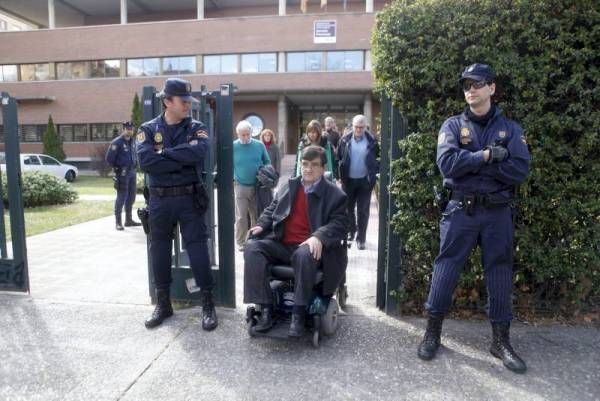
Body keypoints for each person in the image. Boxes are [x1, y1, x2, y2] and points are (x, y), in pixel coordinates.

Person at [417, 63, 530, 374]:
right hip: (459, 212)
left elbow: (519, 170)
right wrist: (487, 156)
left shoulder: (511, 129)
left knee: (500, 273)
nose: (470, 90)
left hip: (497, 213)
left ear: (491, 88)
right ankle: (432, 334)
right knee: (446, 269)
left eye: (477, 84)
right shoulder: (452, 126)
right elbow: (447, 166)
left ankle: (501, 342)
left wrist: (471, 163)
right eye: (466, 85)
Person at [137, 77, 217, 331]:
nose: (188, 106)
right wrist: (181, 155)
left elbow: (199, 152)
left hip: (188, 198)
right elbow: (146, 162)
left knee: (197, 251)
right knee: (159, 251)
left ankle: (207, 303)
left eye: (189, 101)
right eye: (183, 101)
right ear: (167, 102)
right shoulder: (148, 129)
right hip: (159, 200)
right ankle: (164, 304)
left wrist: (165, 154)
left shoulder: (196, 127)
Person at [244, 145, 348, 337]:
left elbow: (340, 224)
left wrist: (318, 236)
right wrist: (261, 225)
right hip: (283, 244)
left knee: (304, 252)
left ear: (324, 167)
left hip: (312, 249)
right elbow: (272, 208)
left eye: (314, 165)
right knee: (252, 247)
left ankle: (298, 314)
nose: (308, 169)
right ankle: (266, 309)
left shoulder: (335, 195)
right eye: (305, 164)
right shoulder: (289, 185)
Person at [336, 114, 380, 250]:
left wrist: (374, 173)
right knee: (348, 209)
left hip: (364, 182)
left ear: (365, 127)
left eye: (361, 127)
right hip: (348, 181)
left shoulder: (372, 141)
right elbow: (338, 158)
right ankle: (351, 232)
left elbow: (377, 159)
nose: (359, 130)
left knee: (363, 211)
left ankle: (361, 239)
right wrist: (340, 175)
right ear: (353, 127)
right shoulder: (344, 140)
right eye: (356, 127)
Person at [233, 120, 271, 252]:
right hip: (240, 185)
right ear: (237, 134)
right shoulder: (234, 146)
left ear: (251, 133)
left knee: (256, 215)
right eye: (242, 135)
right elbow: (227, 163)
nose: (245, 137)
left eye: (248, 134)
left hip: (257, 185)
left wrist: (265, 172)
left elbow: (267, 162)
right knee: (241, 216)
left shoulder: (259, 145)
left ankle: (254, 240)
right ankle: (241, 242)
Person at [105, 121, 141, 230]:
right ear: (123, 129)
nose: (129, 131)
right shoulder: (117, 142)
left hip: (132, 172)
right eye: (127, 129)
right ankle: (118, 222)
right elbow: (109, 159)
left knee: (131, 197)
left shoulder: (133, 141)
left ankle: (128, 220)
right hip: (122, 173)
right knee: (121, 197)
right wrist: (117, 169)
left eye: (131, 129)